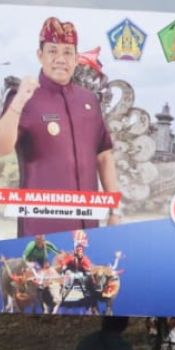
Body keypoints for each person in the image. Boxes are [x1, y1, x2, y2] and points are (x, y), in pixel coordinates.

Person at [0, 17, 121, 237]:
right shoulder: (23, 97)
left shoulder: (89, 100)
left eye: (67, 52)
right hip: (41, 228)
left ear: (76, 58)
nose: (60, 59)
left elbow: (104, 156)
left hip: (87, 227)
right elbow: (2, 148)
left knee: (89, 271)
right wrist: (17, 103)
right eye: (52, 51)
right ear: (40, 55)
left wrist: (115, 210)